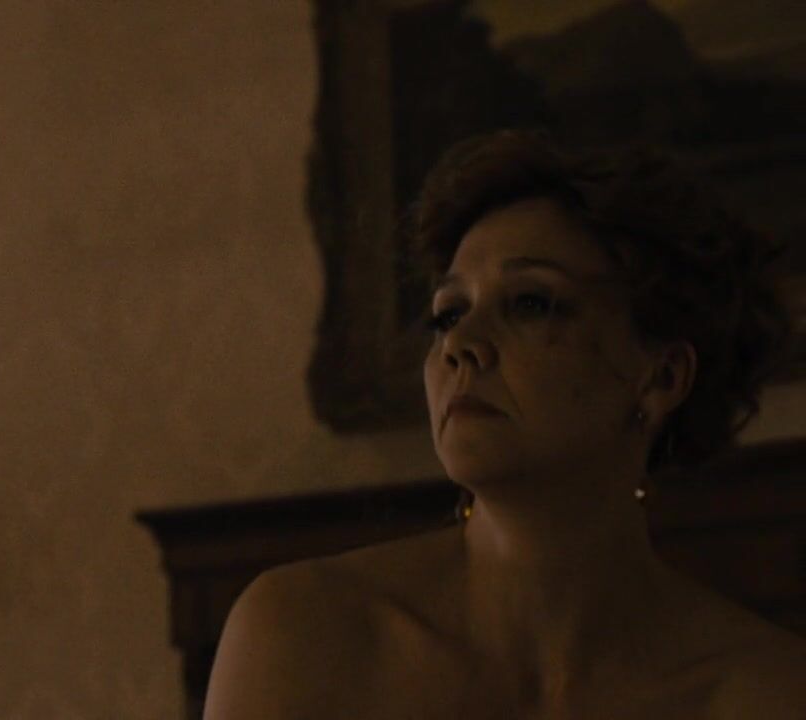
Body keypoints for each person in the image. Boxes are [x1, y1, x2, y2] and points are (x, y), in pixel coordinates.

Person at [204, 129, 806, 719]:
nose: (461, 344)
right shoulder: (305, 636)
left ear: (662, 376)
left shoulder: (767, 693)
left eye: (530, 303)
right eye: (448, 314)